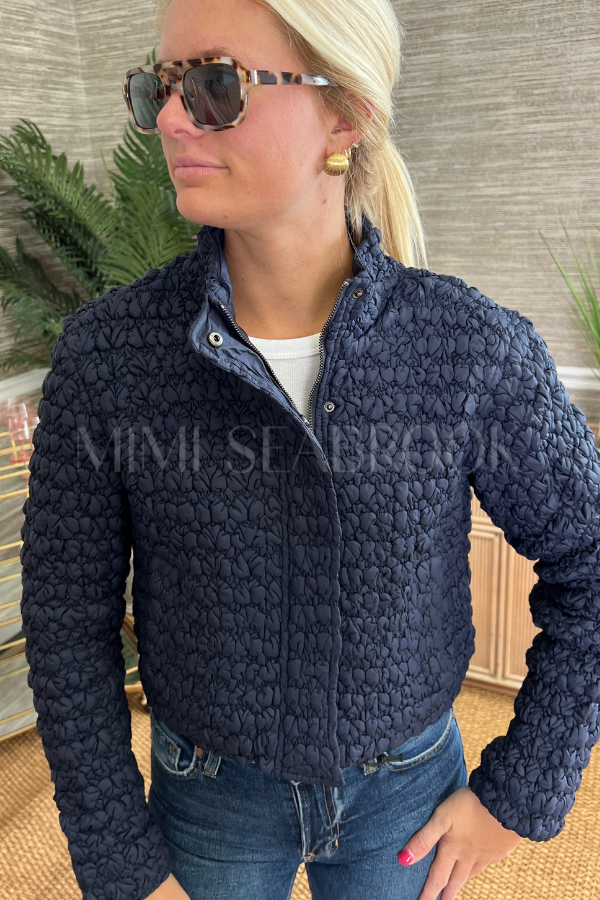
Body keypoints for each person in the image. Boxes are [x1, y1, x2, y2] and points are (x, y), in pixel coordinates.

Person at [20, 0, 600, 898]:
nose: (170, 118)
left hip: (406, 795)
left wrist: (518, 794)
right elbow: (65, 619)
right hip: (207, 799)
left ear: (345, 115)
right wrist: (121, 859)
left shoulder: (471, 347)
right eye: (159, 87)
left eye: (216, 85)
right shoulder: (111, 357)